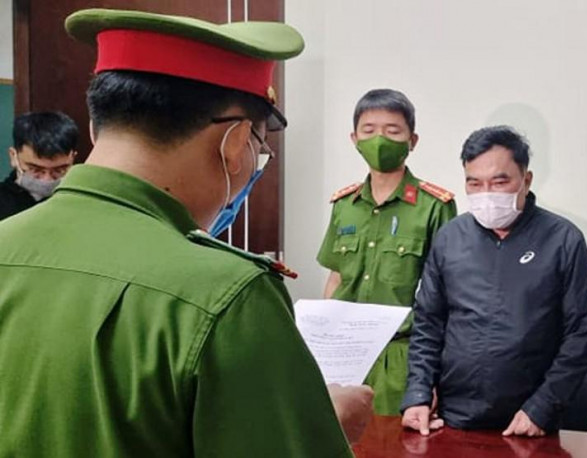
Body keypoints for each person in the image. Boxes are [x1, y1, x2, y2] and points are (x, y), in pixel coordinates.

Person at [0, 9, 371, 457]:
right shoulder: (225, 295)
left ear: (96, 129)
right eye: (258, 148)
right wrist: (316, 423)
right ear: (236, 142)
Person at [401, 126, 587, 437]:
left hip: (529, 422)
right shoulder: (450, 238)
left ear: (526, 180)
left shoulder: (563, 240)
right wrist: (418, 394)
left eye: (499, 182)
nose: (486, 194)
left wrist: (541, 409)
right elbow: (428, 323)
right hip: (450, 419)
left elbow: (581, 334)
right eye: (474, 183)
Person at [317, 89, 457, 415]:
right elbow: (336, 278)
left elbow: (449, 295)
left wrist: (431, 375)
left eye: (393, 131)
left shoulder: (434, 206)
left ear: (412, 140)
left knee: (396, 441)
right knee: (339, 437)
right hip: (345, 356)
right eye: (369, 130)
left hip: (403, 356)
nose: (379, 140)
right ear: (354, 139)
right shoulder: (345, 205)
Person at [0, 111, 78, 220]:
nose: (47, 180)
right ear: (13, 156)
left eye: (59, 169)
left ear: (72, 158)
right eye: (35, 169)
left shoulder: (81, 202)